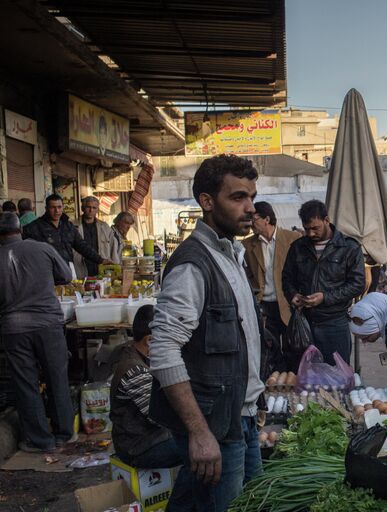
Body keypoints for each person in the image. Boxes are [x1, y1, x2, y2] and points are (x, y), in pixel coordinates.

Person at [148, 154, 264, 511]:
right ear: (207, 202)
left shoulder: (231, 252)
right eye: (238, 197)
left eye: (252, 198)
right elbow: (163, 350)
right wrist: (199, 434)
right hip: (214, 427)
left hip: (238, 418)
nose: (250, 208)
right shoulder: (192, 265)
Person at [0, 212, 75, 453]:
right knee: (57, 378)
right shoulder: (42, 248)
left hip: (14, 329)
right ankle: (64, 433)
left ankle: (40, 440)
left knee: (26, 383)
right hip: (48, 325)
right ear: (20, 230)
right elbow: (65, 276)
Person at [282, 200, 365, 365]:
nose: (311, 234)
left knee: (337, 377)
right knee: (306, 378)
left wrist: (325, 297)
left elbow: (357, 284)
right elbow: (287, 278)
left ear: (326, 220)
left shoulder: (348, 247)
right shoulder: (298, 247)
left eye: (315, 228)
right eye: (306, 229)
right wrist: (292, 295)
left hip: (334, 324)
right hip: (304, 323)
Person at [110, 305, 182, 469]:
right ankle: (183, 495)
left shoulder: (139, 355)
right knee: (197, 447)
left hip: (150, 437)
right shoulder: (134, 370)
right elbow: (160, 417)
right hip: (138, 446)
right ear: (149, 340)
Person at [243, 201, 301, 372]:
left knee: (293, 349)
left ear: (267, 219)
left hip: (288, 303)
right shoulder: (247, 245)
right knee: (270, 349)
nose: (251, 224)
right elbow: (249, 275)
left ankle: (292, 381)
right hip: (264, 306)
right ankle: (275, 384)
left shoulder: (292, 239)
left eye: (254, 219)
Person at [23, 194, 108, 270]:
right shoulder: (34, 228)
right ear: (46, 208)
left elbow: (82, 246)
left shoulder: (68, 226)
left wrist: (101, 260)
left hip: (66, 270)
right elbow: (27, 254)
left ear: (63, 208)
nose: (57, 211)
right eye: (53, 207)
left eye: (59, 207)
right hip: (45, 272)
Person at [73, 196, 120, 277]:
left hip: (101, 267)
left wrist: (115, 266)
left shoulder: (104, 227)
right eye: (88, 207)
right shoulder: (73, 226)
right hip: (80, 267)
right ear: (83, 208)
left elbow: (113, 247)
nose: (91, 210)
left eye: (94, 208)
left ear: (97, 210)